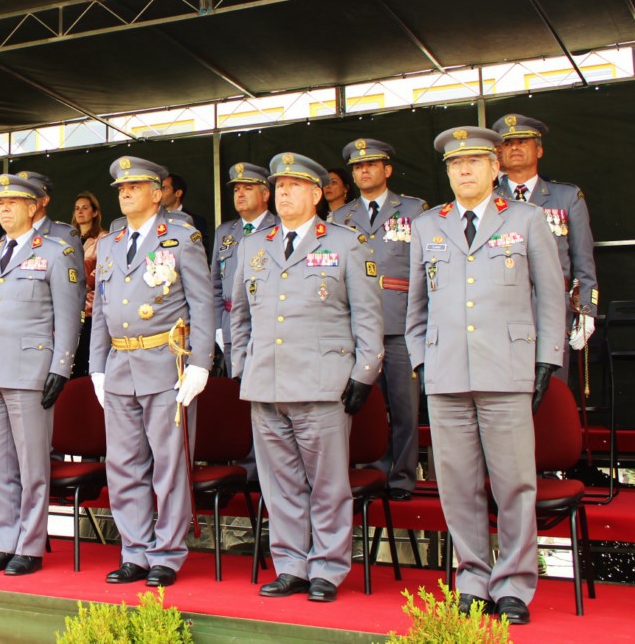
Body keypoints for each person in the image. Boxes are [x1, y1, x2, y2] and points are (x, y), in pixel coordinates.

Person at [406, 126, 565, 625]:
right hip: (447, 371)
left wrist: (547, 357)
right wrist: (420, 359)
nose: (465, 170)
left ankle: (515, 584)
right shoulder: (429, 225)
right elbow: (416, 305)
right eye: (456, 164)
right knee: (457, 485)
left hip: (507, 369)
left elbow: (552, 294)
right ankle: (472, 579)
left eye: (475, 161)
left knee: (514, 483)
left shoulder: (526, 218)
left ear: (496, 168)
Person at [231, 153, 384, 603]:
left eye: (295, 186)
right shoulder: (253, 246)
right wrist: (242, 366)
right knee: (278, 485)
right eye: (279, 186)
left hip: (323, 382)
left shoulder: (344, 242)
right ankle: (291, 565)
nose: (283, 193)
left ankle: (328, 569)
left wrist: (364, 373)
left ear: (317, 194)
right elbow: (239, 315)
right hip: (267, 383)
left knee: (328, 484)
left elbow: (368, 317)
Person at [90, 156, 214, 588]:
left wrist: (200, 362)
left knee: (169, 463)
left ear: (157, 193)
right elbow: (102, 308)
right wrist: (95, 367)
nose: (124, 193)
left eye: (135, 186)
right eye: (121, 188)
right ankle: (134, 550)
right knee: (123, 465)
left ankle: (167, 553)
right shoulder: (109, 243)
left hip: (167, 361)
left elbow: (203, 302)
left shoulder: (180, 237)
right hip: (120, 362)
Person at [0, 174, 83, 576]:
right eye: (0, 201)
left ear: (35, 206)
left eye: (13, 202)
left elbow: (70, 314)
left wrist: (61, 365)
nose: (3, 207)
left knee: (32, 464)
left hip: (30, 369)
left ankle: (30, 545)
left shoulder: (56, 250)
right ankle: (3, 541)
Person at [331, 139, 427, 501]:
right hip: (358, 328)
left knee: (404, 407)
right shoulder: (340, 217)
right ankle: (371, 473)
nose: (363, 171)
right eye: (357, 167)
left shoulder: (415, 210)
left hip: (401, 323)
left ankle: (401, 477)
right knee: (364, 406)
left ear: (387, 170)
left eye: (371, 165)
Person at [492, 113, 597, 378]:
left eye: (522, 141)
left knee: (551, 392)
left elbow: (583, 259)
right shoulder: (487, 200)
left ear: (539, 150)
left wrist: (586, 310)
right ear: (498, 154)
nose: (514, 147)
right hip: (499, 307)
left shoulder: (567, 196)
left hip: (552, 307)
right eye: (507, 143)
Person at [210, 163, 276, 379]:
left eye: (248, 188)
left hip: (271, 325)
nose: (240, 194)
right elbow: (215, 285)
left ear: (265, 194)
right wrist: (219, 327)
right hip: (231, 326)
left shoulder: (280, 227)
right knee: (238, 393)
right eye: (237, 189)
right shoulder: (225, 232)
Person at [72, 191, 103, 378]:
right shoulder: (68, 238)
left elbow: (101, 269)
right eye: (77, 209)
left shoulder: (103, 238)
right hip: (68, 308)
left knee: (87, 356)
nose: (80, 212)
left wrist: (83, 287)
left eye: (85, 208)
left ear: (95, 212)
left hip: (92, 308)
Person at [160, 172, 211, 245]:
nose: (159, 193)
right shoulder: (153, 219)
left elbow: (201, 252)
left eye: (163, 188)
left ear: (178, 193)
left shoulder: (197, 221)